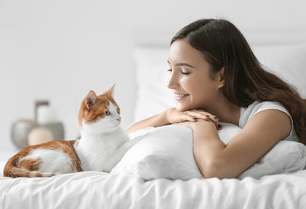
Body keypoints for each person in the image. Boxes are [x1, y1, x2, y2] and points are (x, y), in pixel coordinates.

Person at [127, 18, 306, 179]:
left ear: (221, 77)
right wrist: (166, 116)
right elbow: (125, 138)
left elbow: (217, 168)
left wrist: (201, 124)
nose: (170, 83)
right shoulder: (195, 109)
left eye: (184, 72)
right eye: (170, 70)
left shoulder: (271, 114)